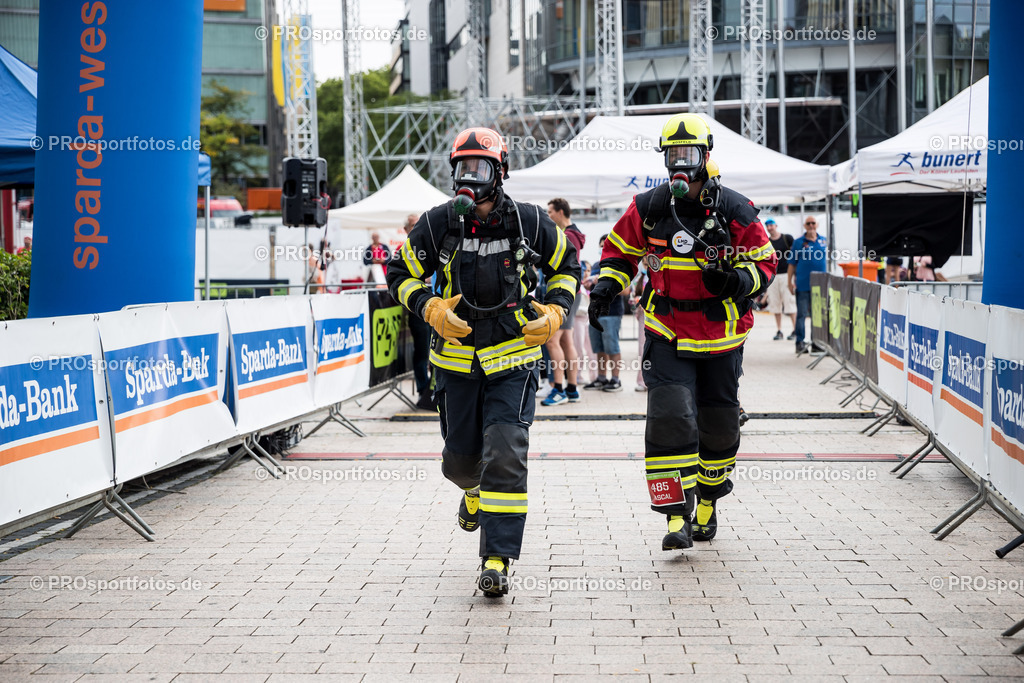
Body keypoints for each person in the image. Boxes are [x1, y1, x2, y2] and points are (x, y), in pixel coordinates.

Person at [386, 127, 580, 597]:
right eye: (462, 168)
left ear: (500, 172)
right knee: (459, 462)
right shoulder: (437, 224)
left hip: (512, 361)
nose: (469, 178)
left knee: (507, 452)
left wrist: (555, 310)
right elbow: (399, 272)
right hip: (454, 364)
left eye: (480, 168)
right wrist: (429, 307)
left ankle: (497, 559)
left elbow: (568, 265)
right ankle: (470, 494)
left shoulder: (531, 222)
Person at [590, 113, 777, 550]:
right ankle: (676, 515)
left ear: (705, 156)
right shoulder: (649, 207)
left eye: (687, 154)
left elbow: (766, 262)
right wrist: (605, 287)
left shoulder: (735, 208)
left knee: (718, 425)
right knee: (670, 419)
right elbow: (619, 253)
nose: (680, 163)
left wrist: (735, 281)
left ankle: (708, 501)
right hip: (667, 331)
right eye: (672, 155)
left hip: (721, 334)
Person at [541, 198, 586, 405]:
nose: (548, 216)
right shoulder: (573, 234)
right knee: (566, 340)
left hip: (565, 293)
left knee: (552, 340)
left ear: (560, 212)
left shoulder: (568, 236)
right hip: (571, 293)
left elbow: (568, 267)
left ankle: (558, 389)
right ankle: (572, 388)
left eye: (550, 212)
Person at [583, 235, 627, 392]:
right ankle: (601, 378)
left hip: (611, 313)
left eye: (606, 245)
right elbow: (591, 288)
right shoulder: (596, 265)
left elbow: (626, 290)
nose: (603, 248)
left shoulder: (619, 265)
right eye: (601, 245)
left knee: (612, 347)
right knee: (599, 348)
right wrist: (589, 284)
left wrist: (604, 283)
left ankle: (616, 380)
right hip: (594, 313)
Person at [401, 213, 434, 410]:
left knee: (434, 348)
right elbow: (399, 277)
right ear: (405, 230)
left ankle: (433, 389)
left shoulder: (431, 245)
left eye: (418, 224)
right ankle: (423, 389)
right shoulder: (404, 250)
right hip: (417, 308)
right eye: (413, 225)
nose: (416, 228)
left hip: (436, 305)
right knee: (421, 350)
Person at [788, 215, 828, 355]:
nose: (811, 225)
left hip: (820, 286)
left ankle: (816, 343)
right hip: (803, 284)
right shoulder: (799, 242)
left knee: (817, 315)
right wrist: (789, 282)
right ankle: (800, 342)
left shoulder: (823, 240)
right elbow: (792, 264)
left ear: (817, 225)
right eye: (808, 223)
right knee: (802, 315)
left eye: (813, 223)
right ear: (805, 226)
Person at [763, 219, 796, 340]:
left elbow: (795, 257)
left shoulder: (787, 238)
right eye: (767, 226)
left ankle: (794, 330)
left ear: (776, 225)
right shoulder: (766, 242)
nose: (770, 228)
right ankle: (779, 330)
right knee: (775, 304)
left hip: (787, 275)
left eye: (771, 225)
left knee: (790, 303)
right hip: (773, 276)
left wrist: (794, 276)